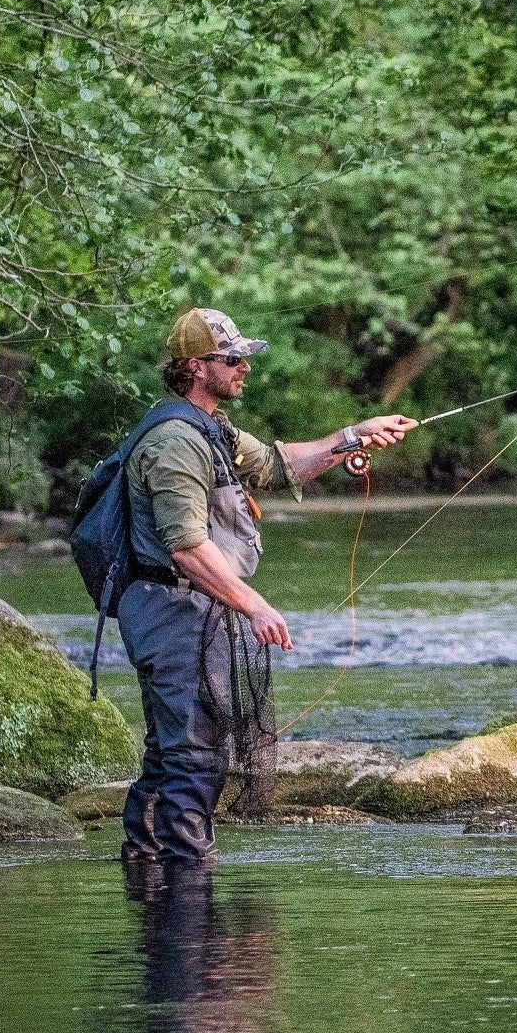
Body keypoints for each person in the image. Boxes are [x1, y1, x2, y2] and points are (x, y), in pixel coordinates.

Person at [115, 307, 416, 862]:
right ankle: (187, 881)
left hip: (194, 608)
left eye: (244, 357)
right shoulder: (175, 442)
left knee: (173, 753)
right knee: (193, 754)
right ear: (196, 366)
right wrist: (254, 605)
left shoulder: (213, 429)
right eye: (233, 359)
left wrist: (356, 435)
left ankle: (153, 879)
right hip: (169, 608)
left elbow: (280, 467)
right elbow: (184, 546)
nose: (244, 368)